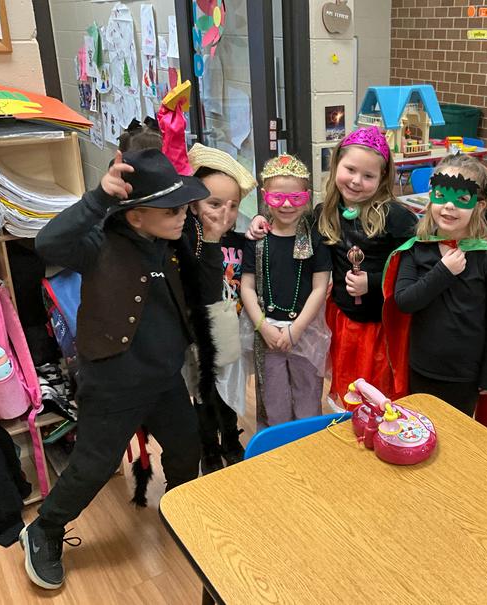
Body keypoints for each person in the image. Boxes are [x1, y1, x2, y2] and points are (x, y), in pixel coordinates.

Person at [21, 148, 224, 590]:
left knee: (186, 448)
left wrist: (210, 240)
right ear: (136, 216)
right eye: (171, 210)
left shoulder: (175, 242)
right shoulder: (100, 244)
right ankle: (44, 528)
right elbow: (48, 244)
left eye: (184, 207)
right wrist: (98, 198)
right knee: (94, 467)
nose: (182, 216)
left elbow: (206, 292)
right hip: (113, 383)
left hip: (165, 378)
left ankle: (179, 506)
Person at [249, 127, 416, 405]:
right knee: (348, 387)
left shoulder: (396, 218)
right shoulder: (324, 212)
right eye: (350, 169)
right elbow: (289, 220)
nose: (356, 181)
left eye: (368, 176)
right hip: (341, 320)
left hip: (379, 328)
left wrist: (374, 281)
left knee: (377, 394)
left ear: (382, 178)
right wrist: (261, 218)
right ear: (336, 163)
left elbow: (416, 268)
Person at [383, 154, 487, 415]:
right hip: (420, 367)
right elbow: (405, 301)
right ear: (431, 197)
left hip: (464, 375)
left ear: (479, 205)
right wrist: (443, 271)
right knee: (418, 426)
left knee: (455, 434)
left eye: (462, 199)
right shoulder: (415, 250)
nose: (449, 206)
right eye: (441, 195)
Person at [240, 154, 332, 428]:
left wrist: (297, 328)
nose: (287, 205)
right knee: (274, 402)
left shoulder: (315, 236)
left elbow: (320, 288)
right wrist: (263, 326)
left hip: (306, 331)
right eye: (277, 198)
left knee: (308, 400)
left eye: (296, 198)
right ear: (265, 196)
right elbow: (246, 287)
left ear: (307, 196)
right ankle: (278, 449)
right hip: (267, 331)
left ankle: (308, 447)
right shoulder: (257, 239)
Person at [186, 143, 257, 473]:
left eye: (233, 206)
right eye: (214, 204)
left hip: (232, 333)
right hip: (199, 336)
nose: (224, 214)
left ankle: (230, 439)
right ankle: (208, 448)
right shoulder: (188, 243)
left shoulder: (240, 242)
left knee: (228, 393)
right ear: (193, 204)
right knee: (204, 396)